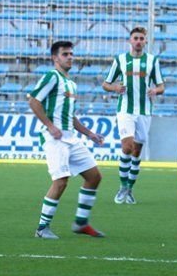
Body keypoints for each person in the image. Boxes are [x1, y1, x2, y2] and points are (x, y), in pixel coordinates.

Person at [29, 41, 107, 239]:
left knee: (94, 176)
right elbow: (34, 101)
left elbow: (70, 115)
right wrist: (50, 125)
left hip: (70, 137)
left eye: (71, 54)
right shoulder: (51, 77)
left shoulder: (71, 83)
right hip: (54, 138)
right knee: (61, 181)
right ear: (55, 58)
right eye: (65, 54)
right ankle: (42, 228)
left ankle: (81, 223)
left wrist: (89, 133)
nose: (70, 57)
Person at [102, 26, 165, 205]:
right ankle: (122, 186)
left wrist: (155, 90)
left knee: (137, 151)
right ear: (130, 40)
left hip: (144, 112)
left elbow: (161, 86)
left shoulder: (153, 61)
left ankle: (129, 188)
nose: (138, 41)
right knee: (127, 147)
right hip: (125, 110)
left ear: (145, 41)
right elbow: (105, 84)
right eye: (135, 38)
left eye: (141, 38)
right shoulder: (120, 60)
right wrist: (115, 88)